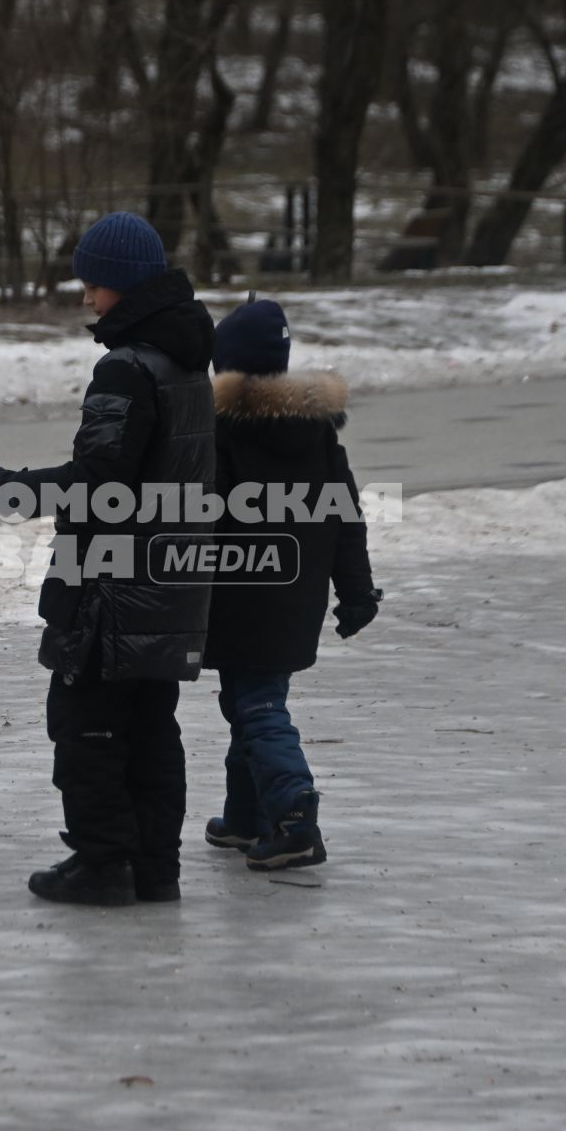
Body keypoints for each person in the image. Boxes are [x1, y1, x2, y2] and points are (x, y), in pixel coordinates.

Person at [0, 212, 215, 906]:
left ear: (123, 285)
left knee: (86, 724)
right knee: (151, 726)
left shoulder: (126, 367)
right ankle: (154, 867)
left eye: (95, 283)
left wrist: (20, 492)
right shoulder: (187, 362)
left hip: (112, 585)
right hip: (170, 582)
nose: (87, 297)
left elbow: (101, 483)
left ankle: (103, 862)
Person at [200, 299, 380, 871]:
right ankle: (246, 818)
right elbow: (346, 517)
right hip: (296, 597)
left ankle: (294, 815)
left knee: (256, 703)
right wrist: (356, 592)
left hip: (239, 594)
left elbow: (200, 514)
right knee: (247, 700)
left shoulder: (222, 432)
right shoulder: (319, 434)